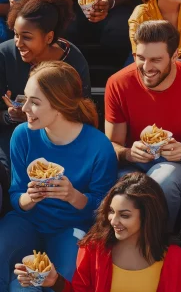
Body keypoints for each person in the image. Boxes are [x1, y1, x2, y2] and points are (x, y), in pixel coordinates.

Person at [0, 60, 117, 290]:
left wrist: (73, 196)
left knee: (66, 280)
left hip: (72, 227)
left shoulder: (99, 147)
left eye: (34, 103)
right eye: (25, 100)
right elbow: (15, 194)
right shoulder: (22, 135)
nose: (24, 109)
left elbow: (104, 210)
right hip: (26, 221)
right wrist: (29, 198)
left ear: (59, 105)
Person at [105, 20, 181, 228]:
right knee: (124, 186)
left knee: (163, 178)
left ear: (175, 55)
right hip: (135, 166)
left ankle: (157, 246)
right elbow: (111, 146)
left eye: (156, 60)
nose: (147, 68)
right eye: (140, 58)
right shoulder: (118, 83)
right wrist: (129, 153)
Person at [14, 172, 181, 291]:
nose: (113, 221)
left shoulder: (174, 258)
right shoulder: (93, 248)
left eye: (125, 215)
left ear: (148, 217)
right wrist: (55, 282)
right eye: (111, 212)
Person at [0, 0, 91, 169]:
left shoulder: (73, 60)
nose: (18, 43)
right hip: (12, 134)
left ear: (49, 37)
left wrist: (39, 116)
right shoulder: (4, 55)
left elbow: (83, 114)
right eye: (16, 35)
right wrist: (9, 117)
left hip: (59, 135)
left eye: (26, 37)